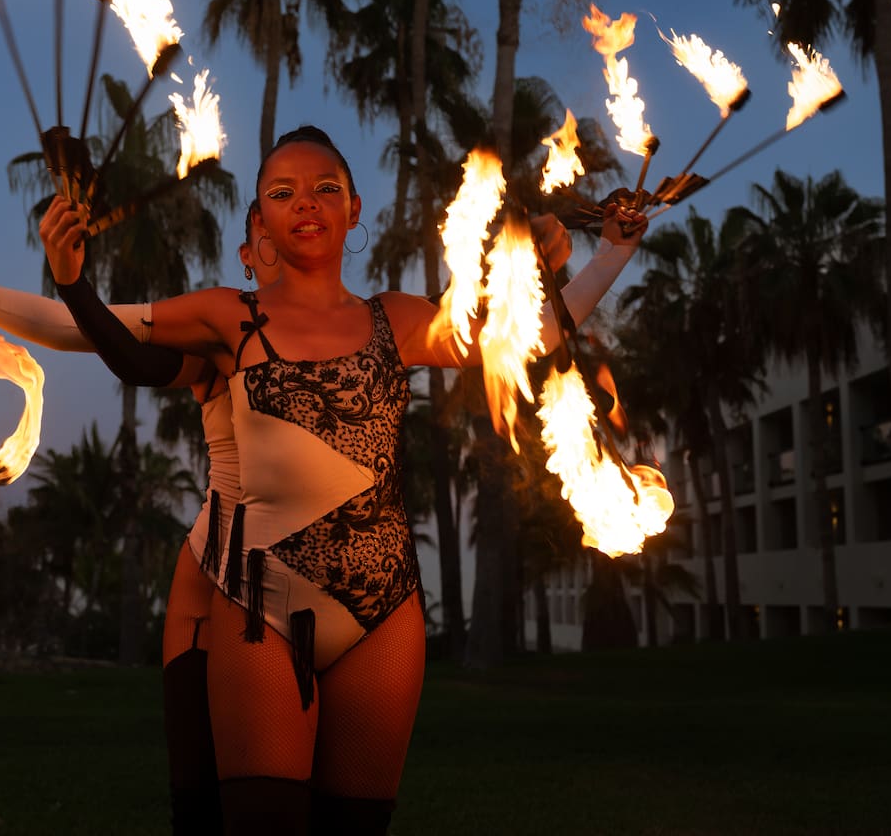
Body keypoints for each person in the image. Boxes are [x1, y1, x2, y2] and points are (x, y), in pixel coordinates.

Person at [40, 125, 645, 835]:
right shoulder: (230, 315)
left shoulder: (397, 319)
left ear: (354, 209)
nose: (307, 204)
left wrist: (613, 252)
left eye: (327, 189)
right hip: (263, 603)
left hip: (385, 613)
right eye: (282, 192)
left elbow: (522, 336)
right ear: (259, 218)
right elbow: (134, 357)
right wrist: (74, 283)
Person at [0, 204, 281, 834]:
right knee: (211, 810)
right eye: (272, 207)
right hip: (226, 582)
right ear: (247, 255)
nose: (296, 214)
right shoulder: (220, 332)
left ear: (349, 217)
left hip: (354, 602)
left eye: (320, 191)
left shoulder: (376, 325)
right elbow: (76, 329)